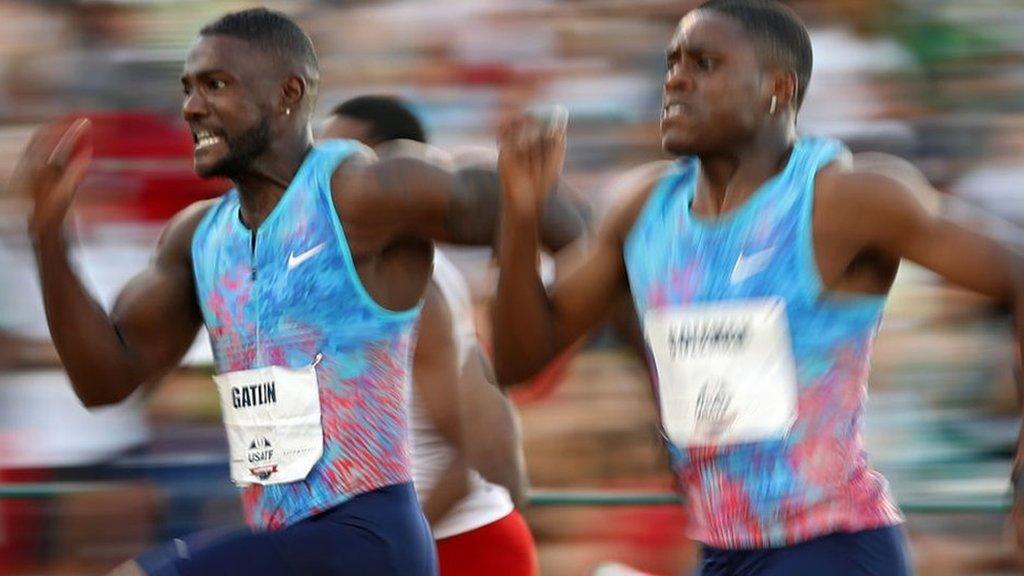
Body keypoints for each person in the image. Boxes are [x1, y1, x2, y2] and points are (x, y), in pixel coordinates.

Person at [13, 8, 560, 576]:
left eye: (214, 85)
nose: (190, 107)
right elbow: (106, 379)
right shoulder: (199, 239)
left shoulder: (360, 195)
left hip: (365, 539)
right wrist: (49, 238)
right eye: (187, 88)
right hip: (288, 540)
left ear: (287, 94)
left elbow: (516, 200)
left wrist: (580, 247)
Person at [492, 1, 1024, 574]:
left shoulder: (846, 199)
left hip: (831, 544)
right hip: (720, 550)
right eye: (671, 61)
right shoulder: (643, 209)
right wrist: (521, 217)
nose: (675, 78)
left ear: (777, 87)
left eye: (704, 62)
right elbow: (521, 360)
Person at [324, 95, 569, 576]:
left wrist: (381, 546)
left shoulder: (421, 291)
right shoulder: (336, 280)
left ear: (390, 168)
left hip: (455, 546)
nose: (317, 177)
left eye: (338, 157)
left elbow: (481, 458)